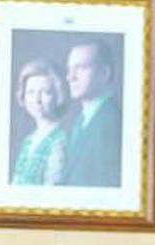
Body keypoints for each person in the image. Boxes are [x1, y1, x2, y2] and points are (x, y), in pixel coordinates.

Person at [59, 39, 122, 187]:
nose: (70, 77)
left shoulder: (113, 122)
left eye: (80, 68)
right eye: (69, 70)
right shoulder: (80, 120)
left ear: (104, 73)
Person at [11, 59, 67, 185]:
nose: (36, 100)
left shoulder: (60, 140)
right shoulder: (28, 140)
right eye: (31, 92)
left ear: (58, 95)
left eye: (45, 92)